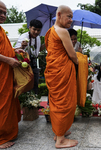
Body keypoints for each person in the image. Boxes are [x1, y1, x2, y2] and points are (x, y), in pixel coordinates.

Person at [44, 5, 78, 148]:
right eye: (68, 16)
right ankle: (60, 140)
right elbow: (72, 55)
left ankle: (60, 131)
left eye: (71, 17)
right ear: (59, 15)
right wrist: (80, 62)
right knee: (64, 102)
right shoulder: (63, 31)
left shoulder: (50, 31)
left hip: (54, 71)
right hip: (62, 71)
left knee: (57, 102)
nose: (71, 20)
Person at [0, 1, 23, 148]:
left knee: (8, 101)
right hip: (2, 71)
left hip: (6, 72)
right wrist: (8, 59)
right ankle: (1, 138)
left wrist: (14, 51)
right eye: (0, 12)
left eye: (5, 13)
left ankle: (7, 131)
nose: (3, 15)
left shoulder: (1, 30)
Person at [15, 19, 45, 94]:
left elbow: (38, 50)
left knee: (35, 85)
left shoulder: (38, 38)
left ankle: (34, 102)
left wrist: (47, 43)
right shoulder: (24, 37)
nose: (36, 32)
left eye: (38, 30)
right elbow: (15, 50)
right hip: (24, 65)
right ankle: (25, 103)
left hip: (34, 64)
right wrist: (22, 46)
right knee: (26, 86)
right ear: (30, 27)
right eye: (34, 29)